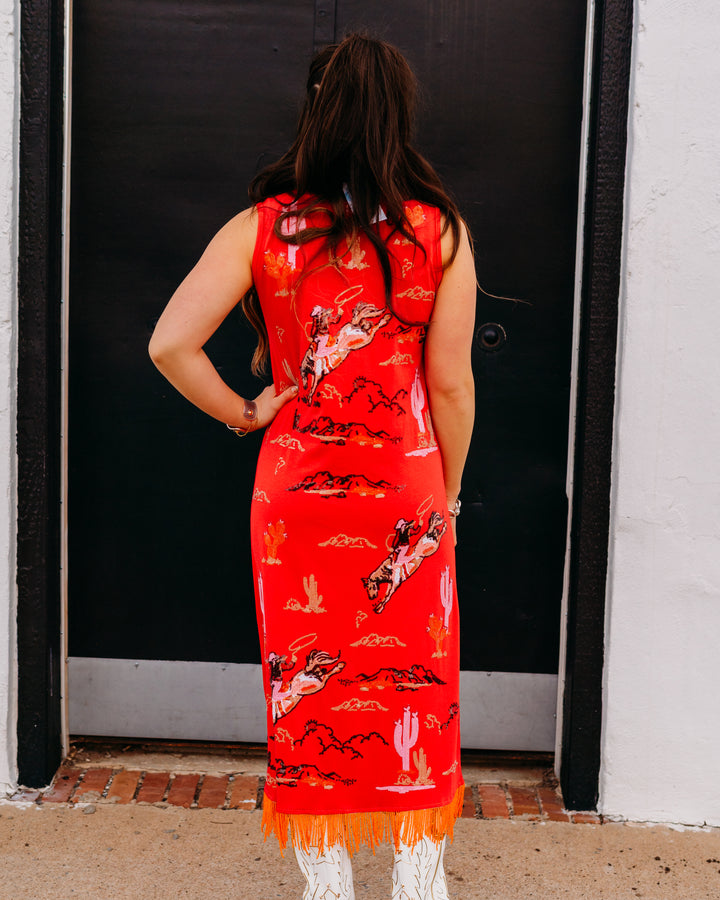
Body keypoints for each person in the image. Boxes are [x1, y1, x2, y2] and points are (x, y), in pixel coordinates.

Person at [148, 32, 476, 900]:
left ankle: (326, 874)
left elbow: (170, 344)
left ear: (317, 109)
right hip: (405, 490)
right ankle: (417, 870)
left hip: (296, 493)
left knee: (306, 680)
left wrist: (248, 411)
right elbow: (449, 385)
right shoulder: (434, 232)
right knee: (417, 673)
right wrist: (448, 490)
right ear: (395, 116)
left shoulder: (264, 228)